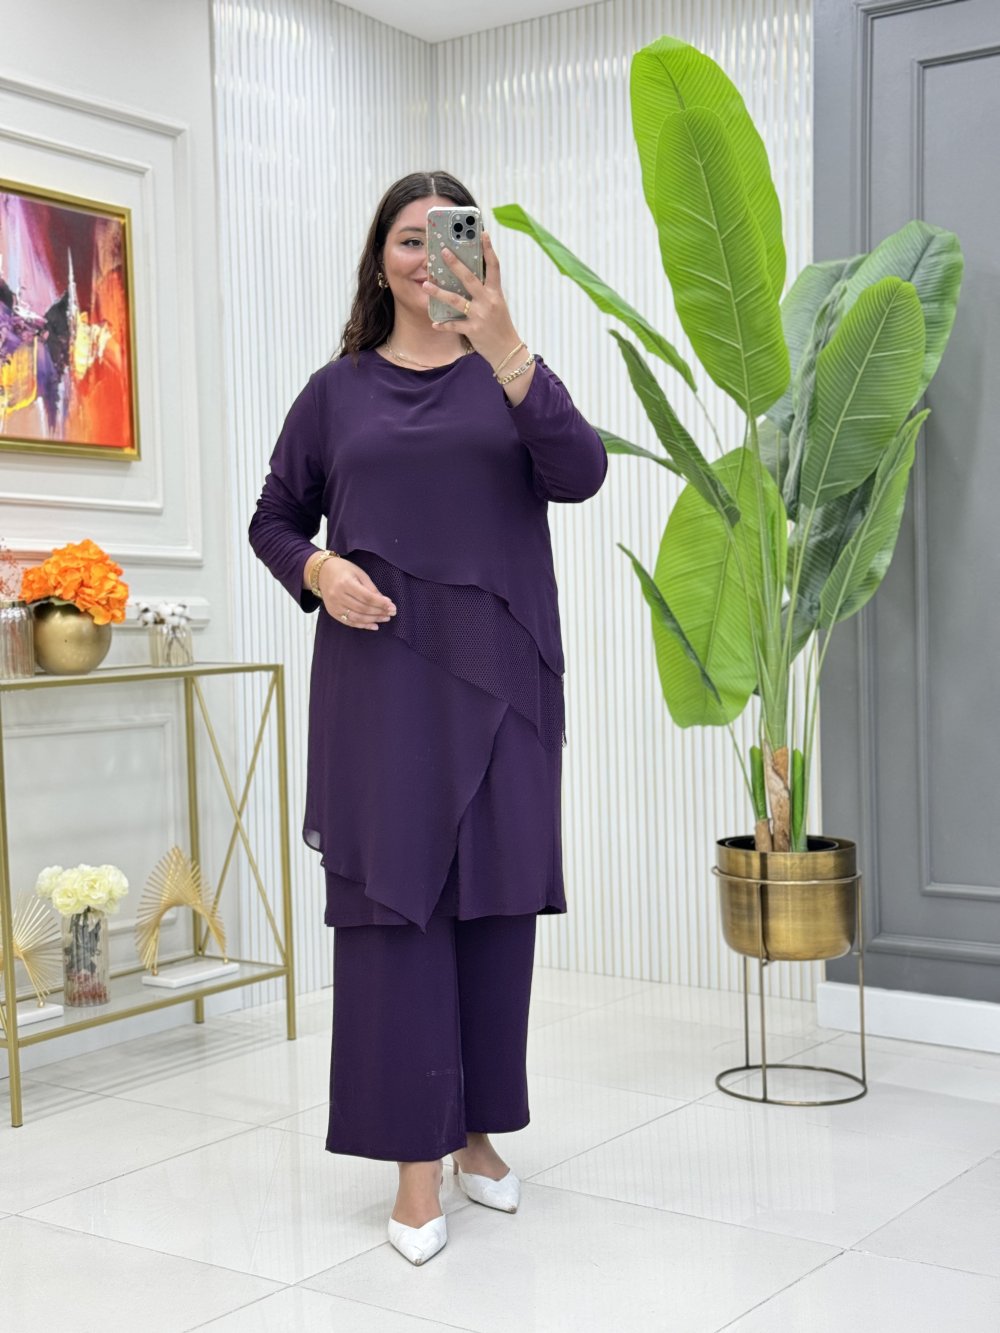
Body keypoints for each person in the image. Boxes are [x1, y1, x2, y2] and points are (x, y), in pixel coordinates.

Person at [248, 170, 607, 1266]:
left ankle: (476, 1133)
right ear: (379, 259)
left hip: (504, 681)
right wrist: (318, 570)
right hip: (382, 683)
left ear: (480, 257)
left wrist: (506, 347)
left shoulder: (510, 376)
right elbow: (273, 517)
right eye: (408, 239)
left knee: (494, 908)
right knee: (397, 908)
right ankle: (415, 1161)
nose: (426, 257)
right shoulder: (336, 392)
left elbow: (582, 473)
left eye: (449, 238)